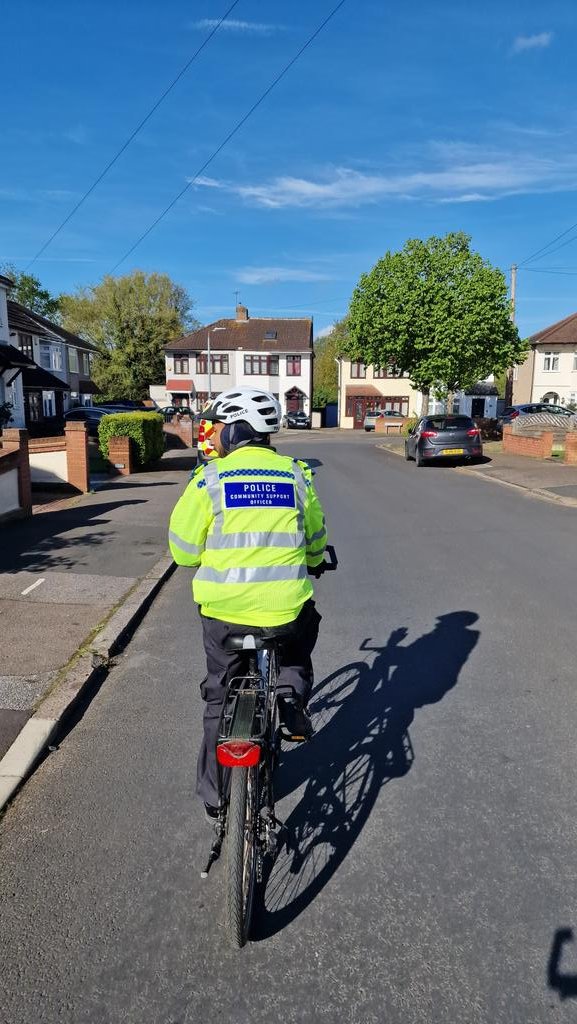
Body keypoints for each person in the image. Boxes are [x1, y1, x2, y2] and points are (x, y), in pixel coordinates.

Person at [168, 386, 327, 816]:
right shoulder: (295, 474)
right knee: (303, 627)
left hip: (223, 615)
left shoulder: (210, 478)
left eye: (218, 426)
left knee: (220, 697)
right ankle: (291, 694)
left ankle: (216, 797)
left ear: (237, 429)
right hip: (283, 610)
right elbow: (315, 538)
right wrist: (314, 560)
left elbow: (182, 550)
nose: (213, 434)